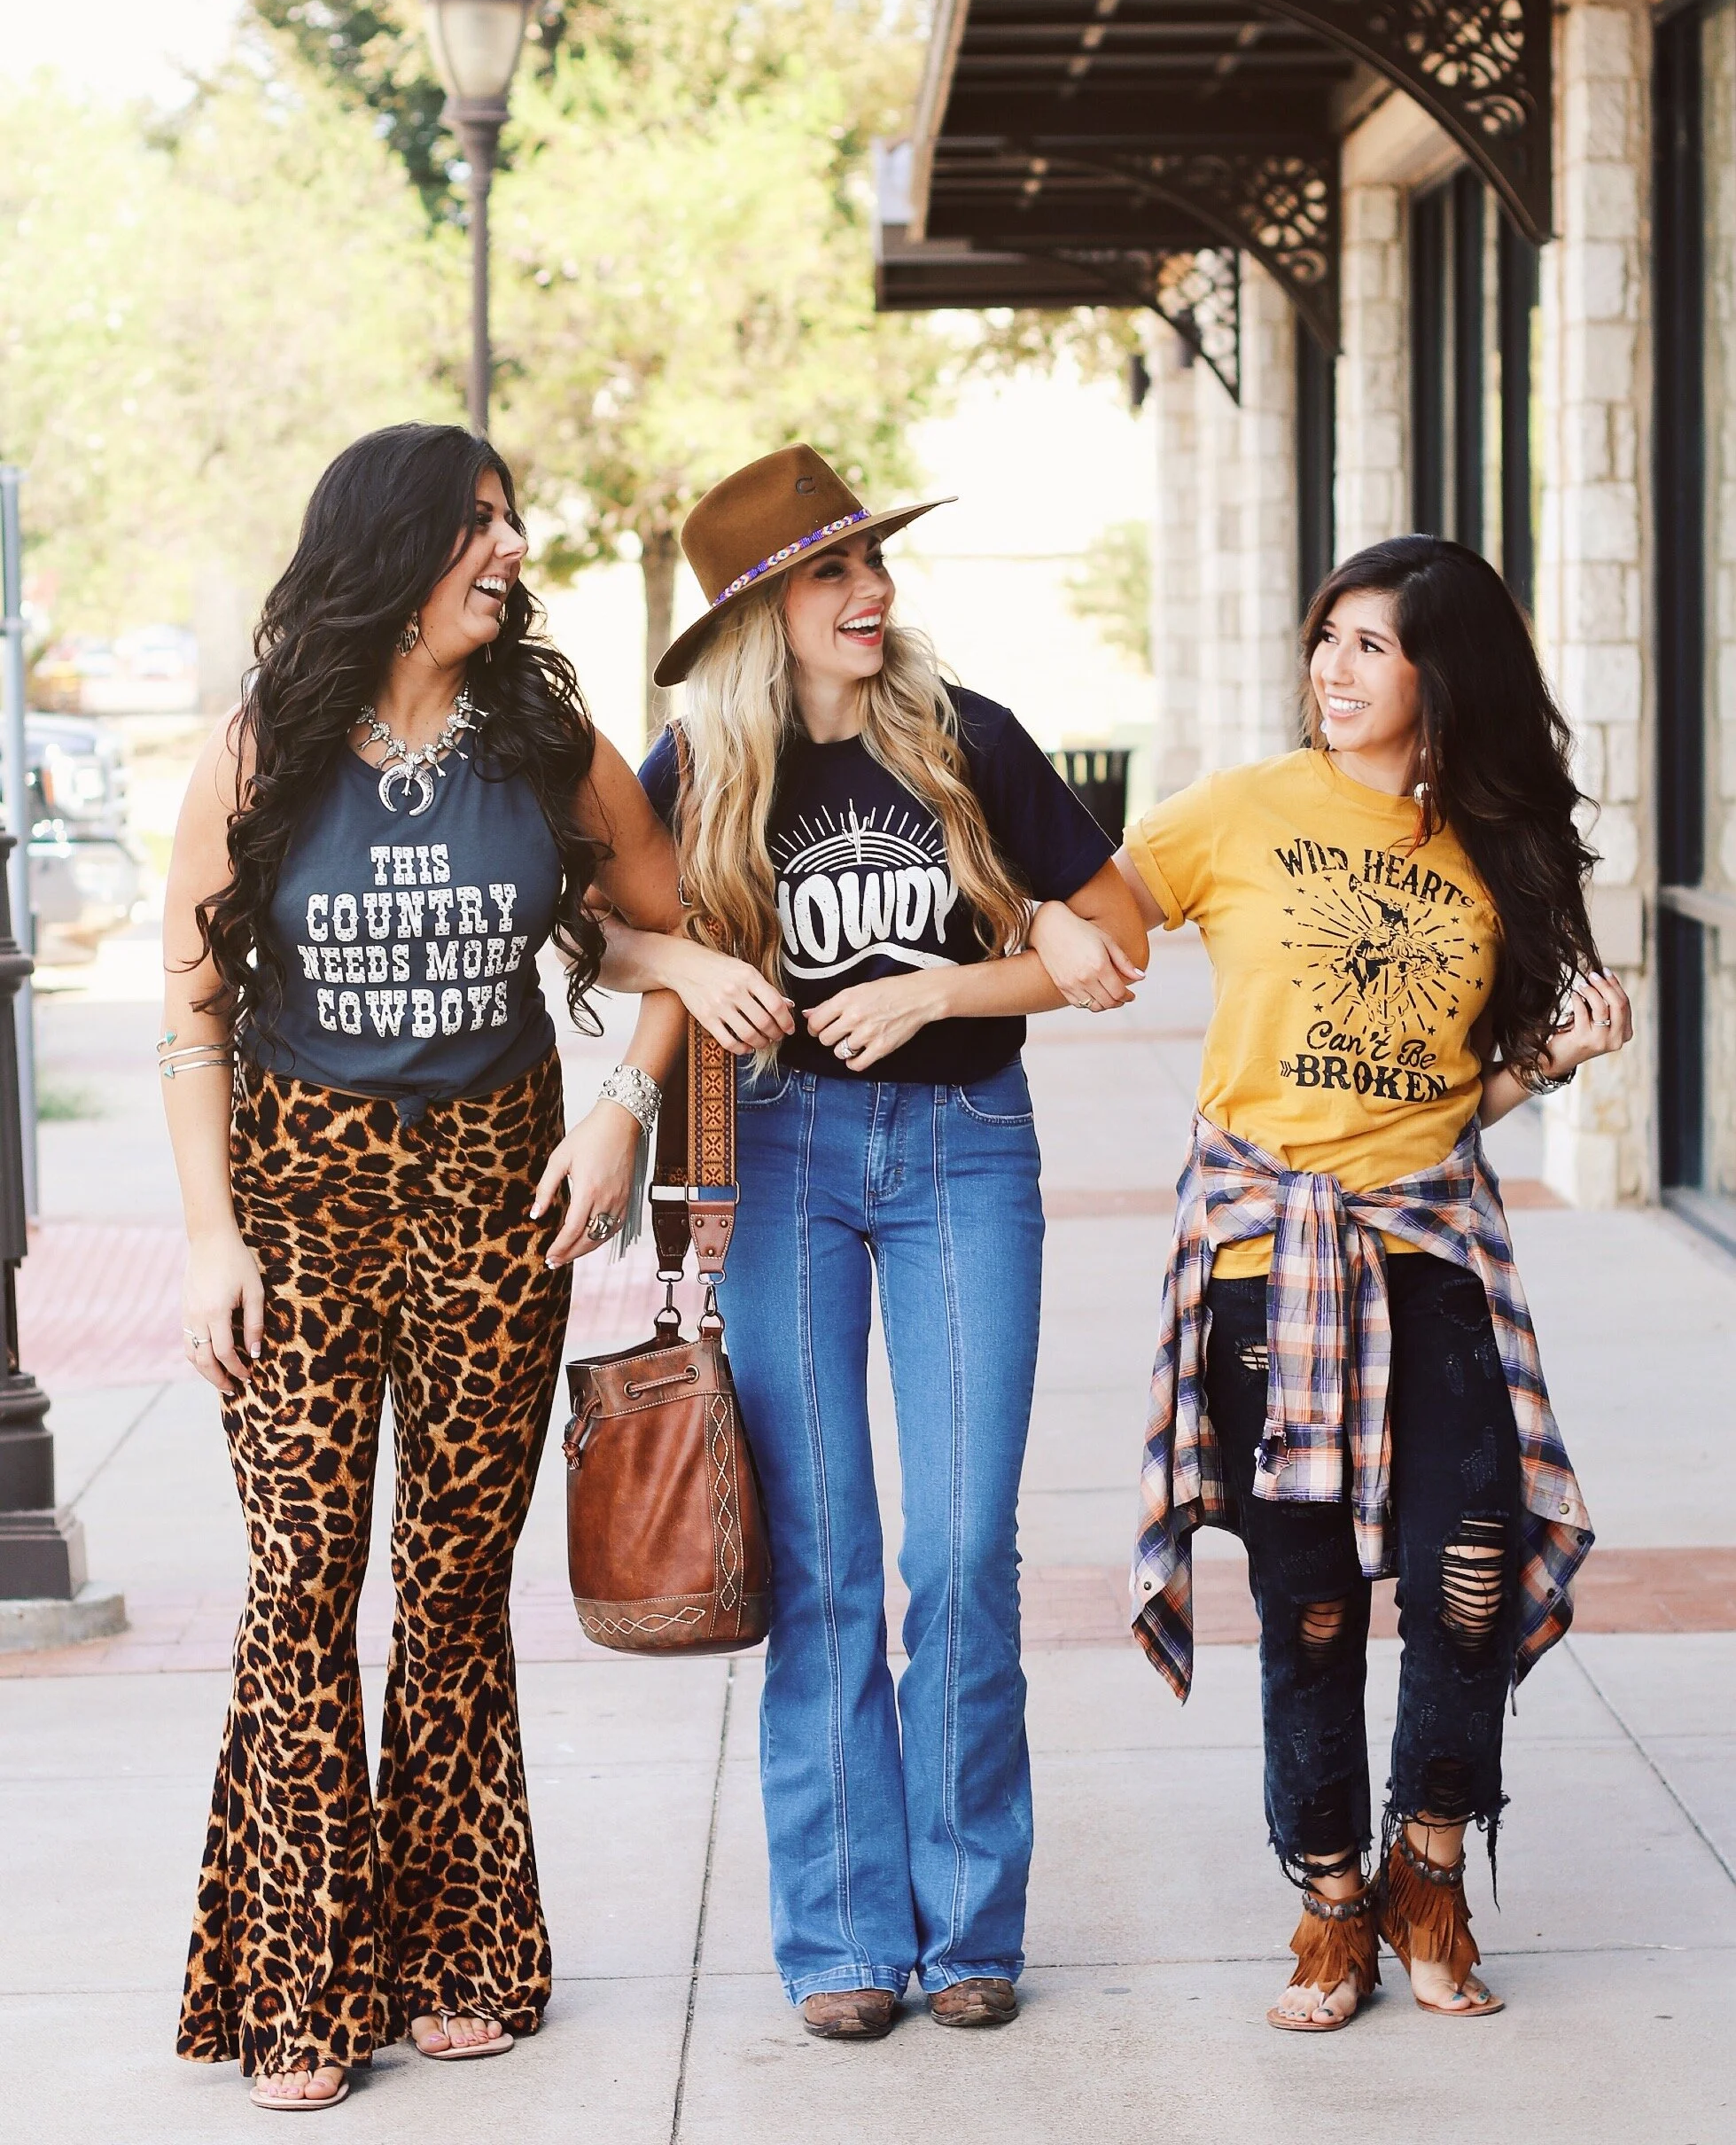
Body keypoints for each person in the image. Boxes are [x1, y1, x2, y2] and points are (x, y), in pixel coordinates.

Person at [1030, 534, 1630, 2032]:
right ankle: (1329, 1906)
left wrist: (1551, 1060)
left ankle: (1430, 1875)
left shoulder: (1495, 842)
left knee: (1468, 1573)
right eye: (1326, 638)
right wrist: (1031, 924)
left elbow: (1455, 1096)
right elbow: (1087, 920)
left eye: (1371, 644)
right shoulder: (1236, 809)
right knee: (1305, 1606)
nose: (1333, 669)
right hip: (1266, 1258)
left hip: (1428, 1246)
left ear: (1444, 671)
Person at [162, 423, 684, 2111]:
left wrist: (618, 1114)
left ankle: (460, 1952)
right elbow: (189, 1009)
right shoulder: (263, 743)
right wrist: (209, 1235)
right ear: (391, 549)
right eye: (478, 522)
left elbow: (670, 936)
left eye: (510, 518)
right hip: (299, 1201)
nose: (513, 546)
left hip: (494, 1194)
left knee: (453, 1589)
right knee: (301, 1583)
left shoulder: (546, 742)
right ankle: (301, 1983)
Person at [596, 446, 1148, 2039]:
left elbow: (1115, 934)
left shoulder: (968, 739)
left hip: (964, 1147)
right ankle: (840, 1936)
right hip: (781, 1160)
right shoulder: (700, 766)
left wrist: (950, 986)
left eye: (871, 562)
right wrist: (686, 970)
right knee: (825, 1548)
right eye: (830, 572)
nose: (871, 591)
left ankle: (971, 1922)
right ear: (757, 614)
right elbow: (590, 923)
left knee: (962, 1546)